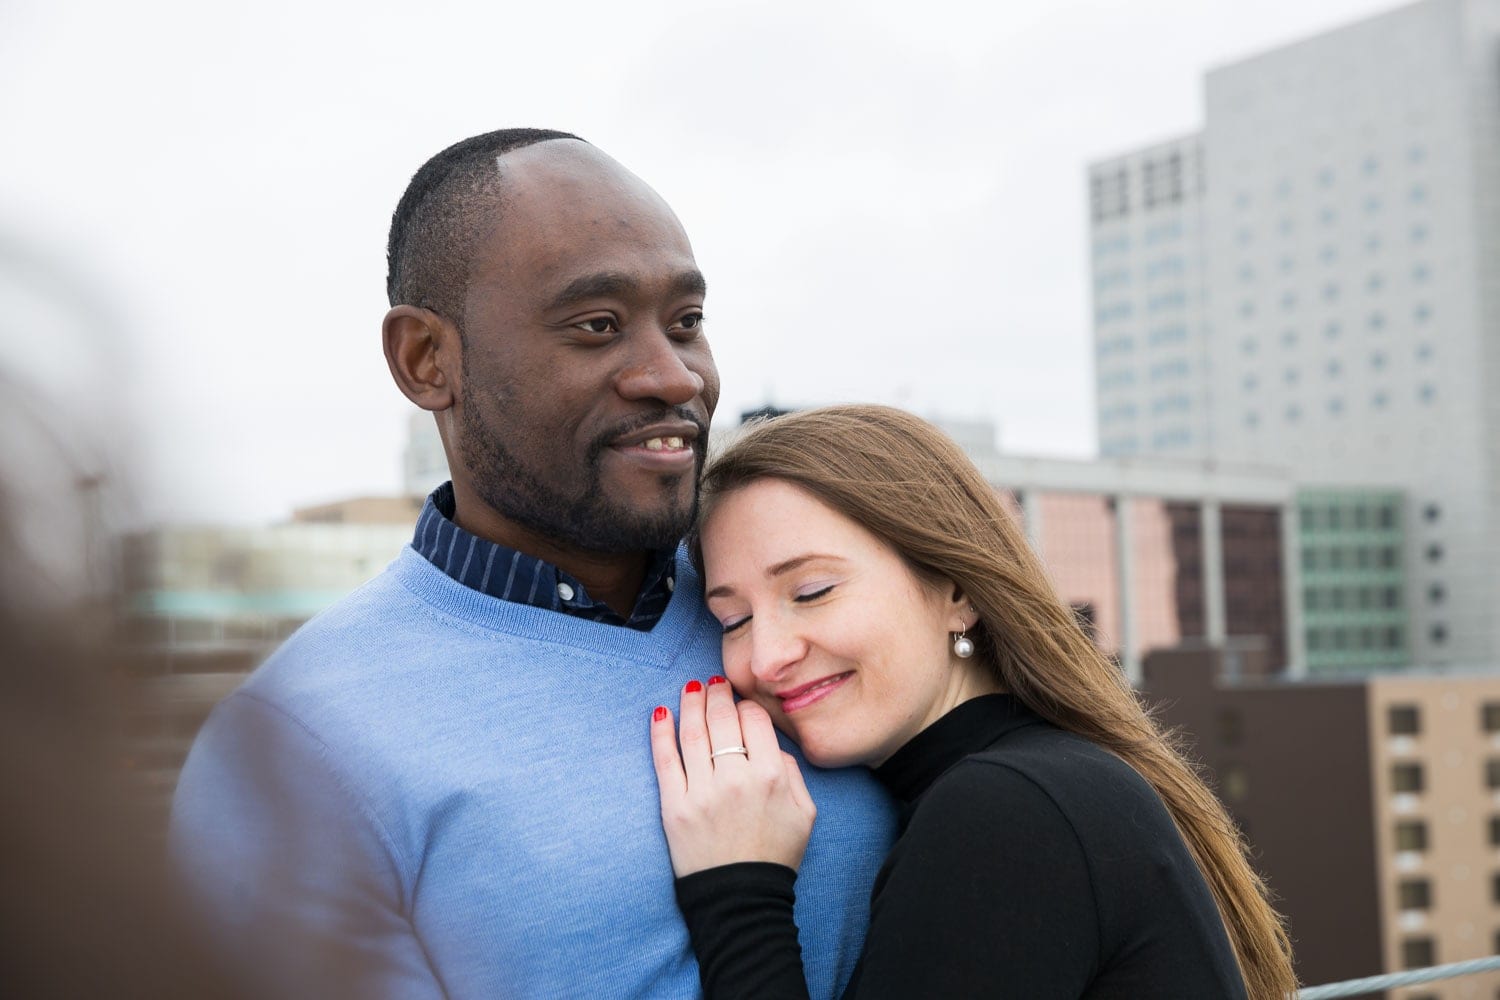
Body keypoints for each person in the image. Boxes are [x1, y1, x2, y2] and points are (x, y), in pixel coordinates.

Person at [170, 130, 894, 999]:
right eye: (597, 326)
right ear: (426, 360)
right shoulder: (296, 751)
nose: (673, 377)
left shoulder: (802, 624)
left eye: (688, 323)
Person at [650, 404, 1298, 1000]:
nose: (766, 658)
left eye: (812, 590)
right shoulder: (1047, 778)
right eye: (732, 621)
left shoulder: (1008, 810)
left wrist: (738, 893)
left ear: (957, 589)